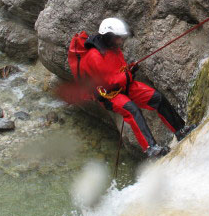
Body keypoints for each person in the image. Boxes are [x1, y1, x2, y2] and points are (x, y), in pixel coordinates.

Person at [78, 18, 196, 157]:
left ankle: (180, 130)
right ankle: (151, 149)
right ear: (108, 36)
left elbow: (117, 71)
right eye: (118, 38)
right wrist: (127, 75)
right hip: (110, 95)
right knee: (132, 110)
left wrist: (129, 69)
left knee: (157, 98)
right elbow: (109, 82)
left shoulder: (112, 48)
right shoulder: (94, 56)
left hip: (125, 86)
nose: (121, 41)